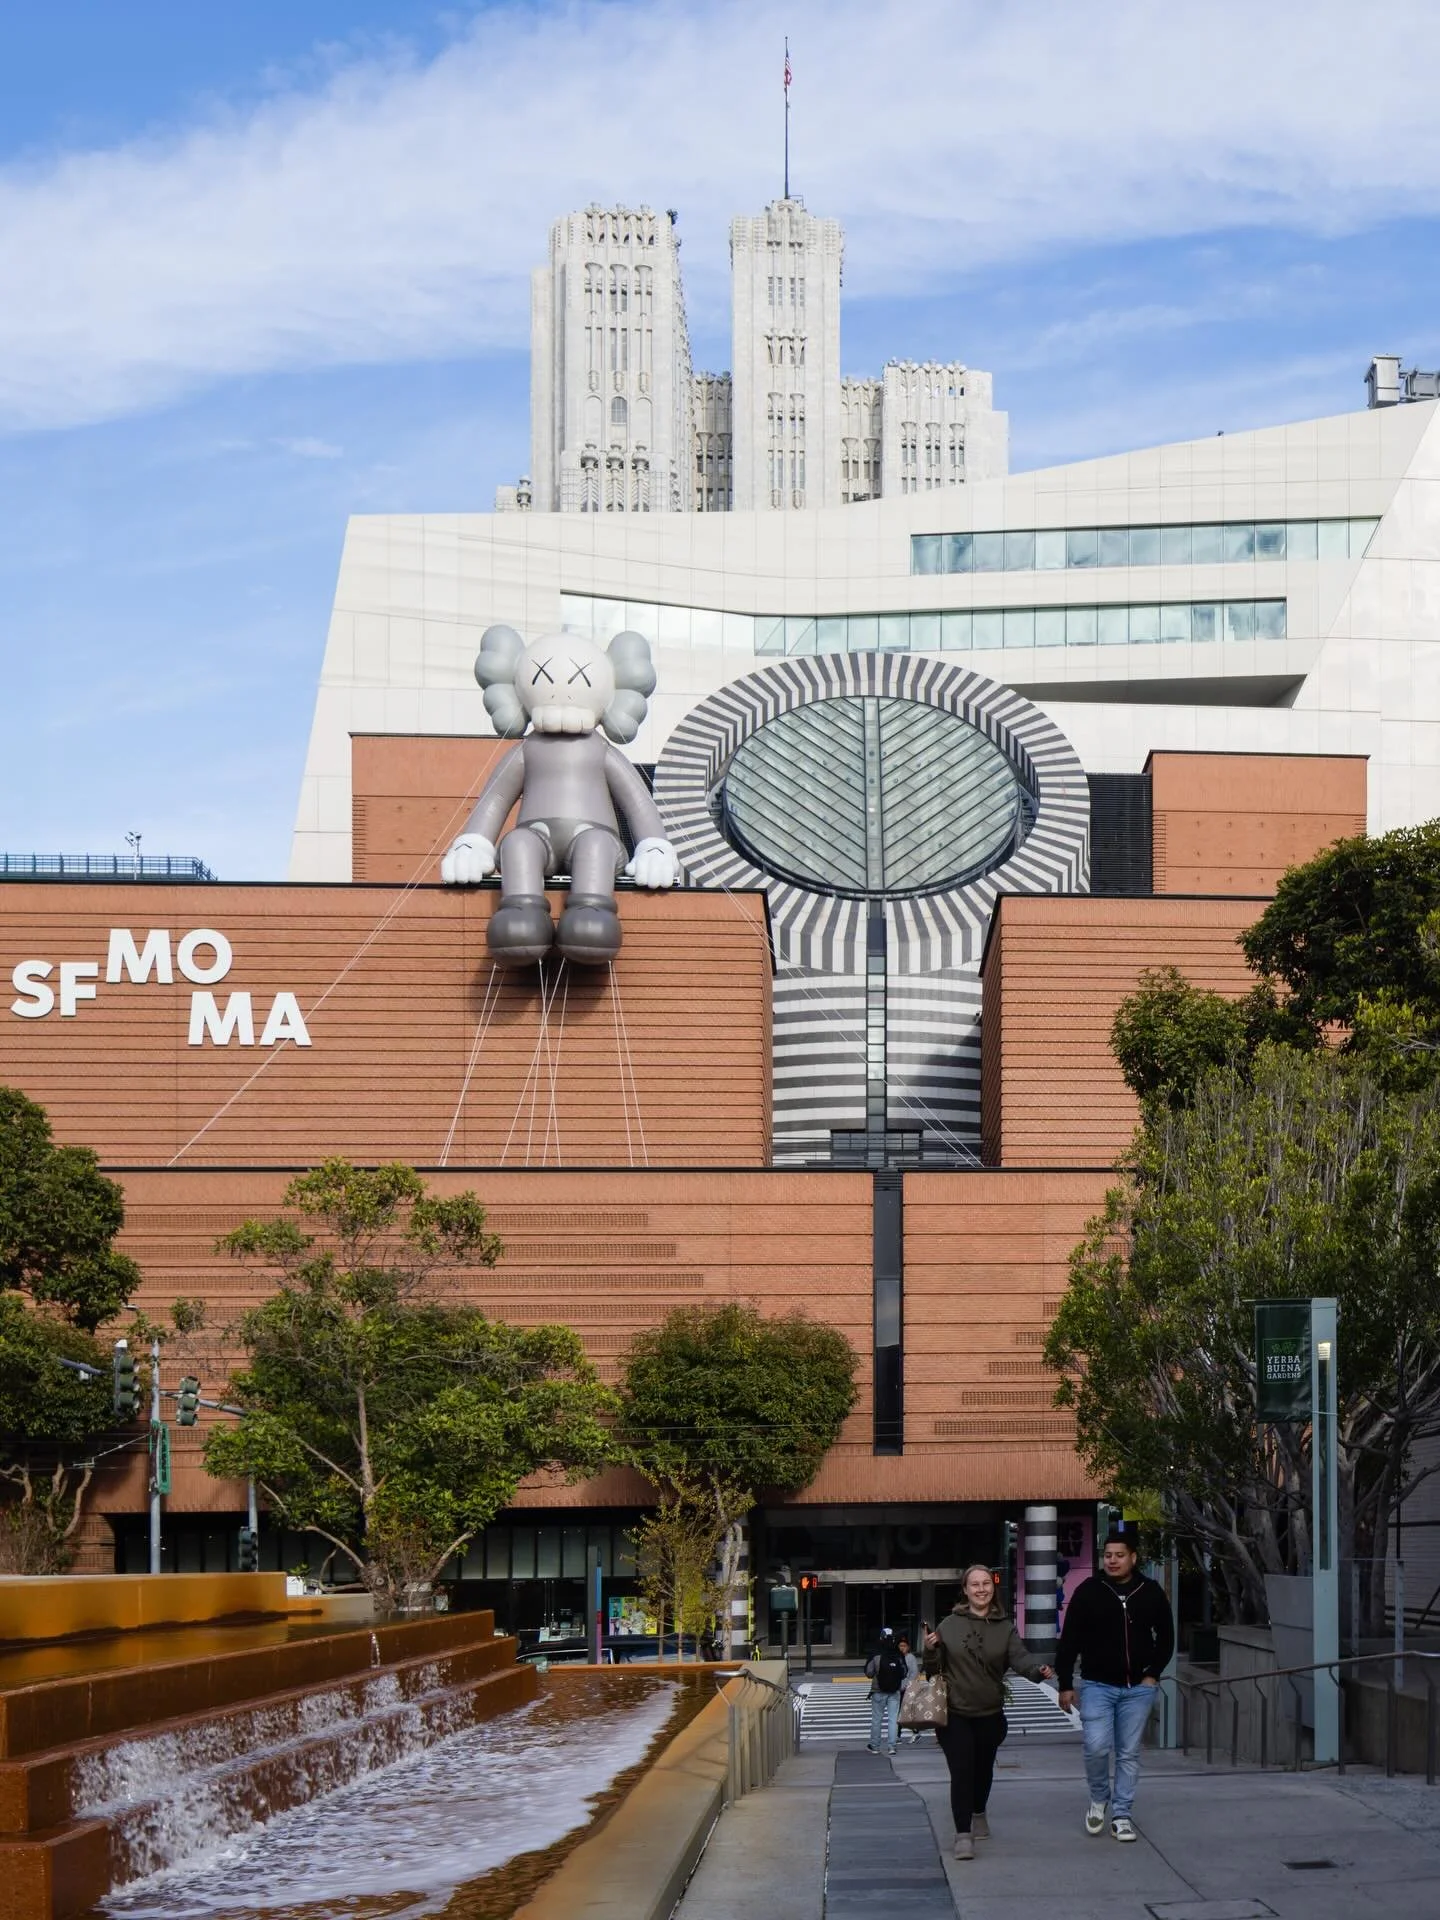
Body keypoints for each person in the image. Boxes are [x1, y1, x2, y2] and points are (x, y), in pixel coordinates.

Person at [923, 1565, 1054, 1860]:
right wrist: (930, 1650)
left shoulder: (1004, 1626)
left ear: (993, 1588)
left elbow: (1020, 1659)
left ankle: (979, 1810)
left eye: (986, 1584)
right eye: (974, 1585)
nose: (981, 1589)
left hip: (990, 1713)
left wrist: (1037, 1671)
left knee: (982, 1771)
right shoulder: (949, 1624)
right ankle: (962, 1833)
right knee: (961, 1771)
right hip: (955, 1713)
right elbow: (934, 1670)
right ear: (965, 1590)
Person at [1056, 1531, 1175, 1844]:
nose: (1112, 1560)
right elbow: (1069, 1641)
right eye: (1108, 1554)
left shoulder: (1150, 1592)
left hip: (1138, 1688)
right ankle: (1099, 1798)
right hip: (1097, 1685)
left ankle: (1122, 1815)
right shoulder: (1088, 1591)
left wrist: (1152, 1674)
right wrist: (1065, 1684)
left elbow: (1166, 1638)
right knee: (1096, 1747)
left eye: (1119, 1555)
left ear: (1133, 1558)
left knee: (1128, 1753)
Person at [864, 1625, 907, 1754]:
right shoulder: (898, 1654)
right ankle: (892, 1746)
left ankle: (875, 1746)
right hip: (894, 1691)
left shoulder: (876, 1653)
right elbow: (904, 1672)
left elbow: (869, 1673)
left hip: (878, 1690)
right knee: (893, 1719)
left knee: (877, 1719)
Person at [896, 1633, 923, 1741]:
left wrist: (907, 1686)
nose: (902, 1648)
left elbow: (914, 1674)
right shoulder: (897, 1657)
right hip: (899, 1688)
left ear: (908, 1648)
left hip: (907, 1689)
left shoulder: (910, 1658)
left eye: (904, 1646)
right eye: (900, 1646)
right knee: (900, 1712)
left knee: (904, 1711)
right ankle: (906, 1733)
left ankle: (899, 1735)